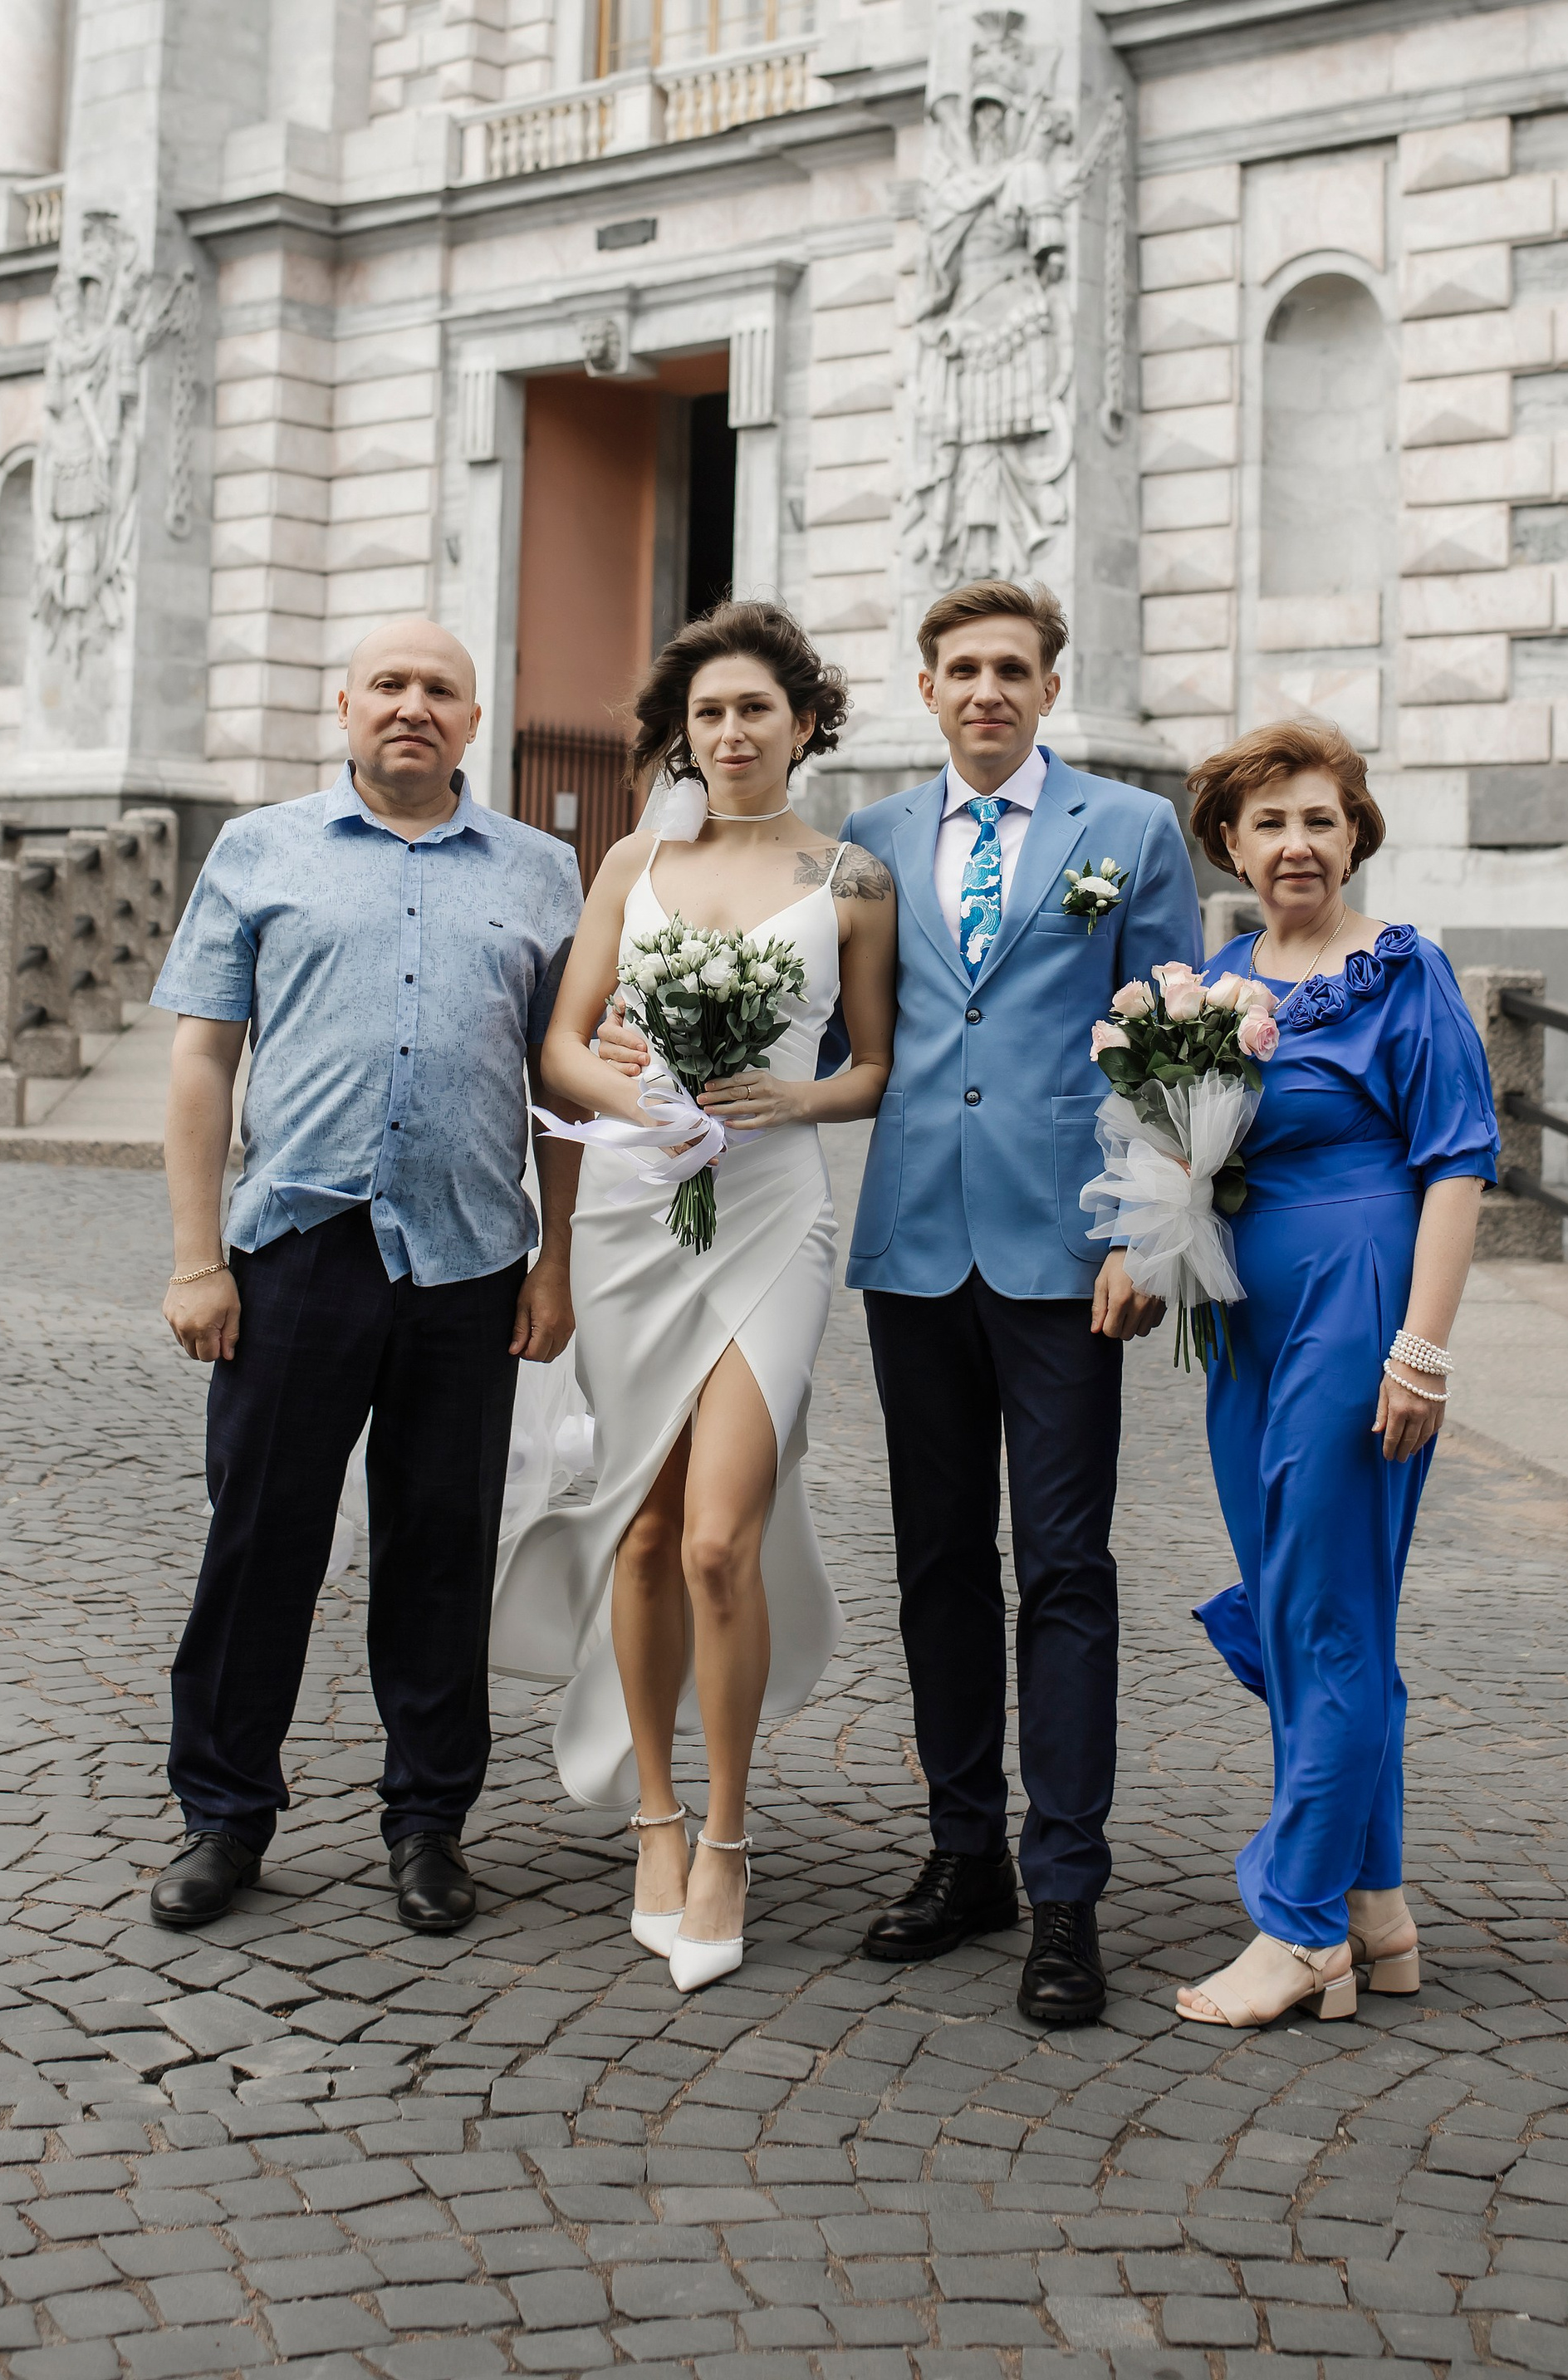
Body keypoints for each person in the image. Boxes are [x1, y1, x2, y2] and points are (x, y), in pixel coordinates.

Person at [147, 620, 581, 1936]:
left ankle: (428, 1822)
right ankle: (224, 1815)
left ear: (472, 718)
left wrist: (556, 1261)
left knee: (441, 1549)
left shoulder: (542, 869)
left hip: (468, 1262)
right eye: (388, 684)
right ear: (343, 705)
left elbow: (561, 1087)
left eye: (439, 688)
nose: (412, 705)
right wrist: (197, 1260)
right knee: (259, 1541)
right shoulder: (259, 848)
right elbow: (202, 1061)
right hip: (296, 1252)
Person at [496, 601, 896, 1993]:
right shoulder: (635, 860)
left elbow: (872, 1065)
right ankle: (655, 1822)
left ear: (804, 723)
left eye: (756, 710)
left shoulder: (852, 876)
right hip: (633, 1215)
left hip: (774, 1217)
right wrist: (640, 1101)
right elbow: (562, 1045)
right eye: (709, 712)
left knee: (723, 1536)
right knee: (646, 1528)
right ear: (685, 730)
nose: (731, 733)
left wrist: (794, 1097)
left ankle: (730, 1832)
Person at [840, 579, 1203, 2026]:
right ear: (926, 688)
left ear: (1051, 688)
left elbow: (1174, 1039)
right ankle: (964, 1853)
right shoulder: (872, 837)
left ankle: (1066, 1890)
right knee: (936, 1558)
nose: (986, 689)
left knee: (1062, 1567)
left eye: (1012, 668)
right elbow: (837, 1020)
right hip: (916, 1243)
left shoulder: (1132, 829)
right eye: (962, 668)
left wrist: (1150, 1234)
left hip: (1068, 1252)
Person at [1173, 723, 1497, 2030]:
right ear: (1230, 845)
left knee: (1326, 1609)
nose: (1296, 843)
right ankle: (1377, 1905)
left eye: (1320, 817)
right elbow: (1182, 1151)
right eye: (1270, 822)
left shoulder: (1402, 969)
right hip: (1247, 1322)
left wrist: (1422, 1349)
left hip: (1357, 1304)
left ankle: (1300, 1924)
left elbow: (1458, 1161)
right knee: (1304, 1596)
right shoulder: (1216, 980)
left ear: (1356, 832)